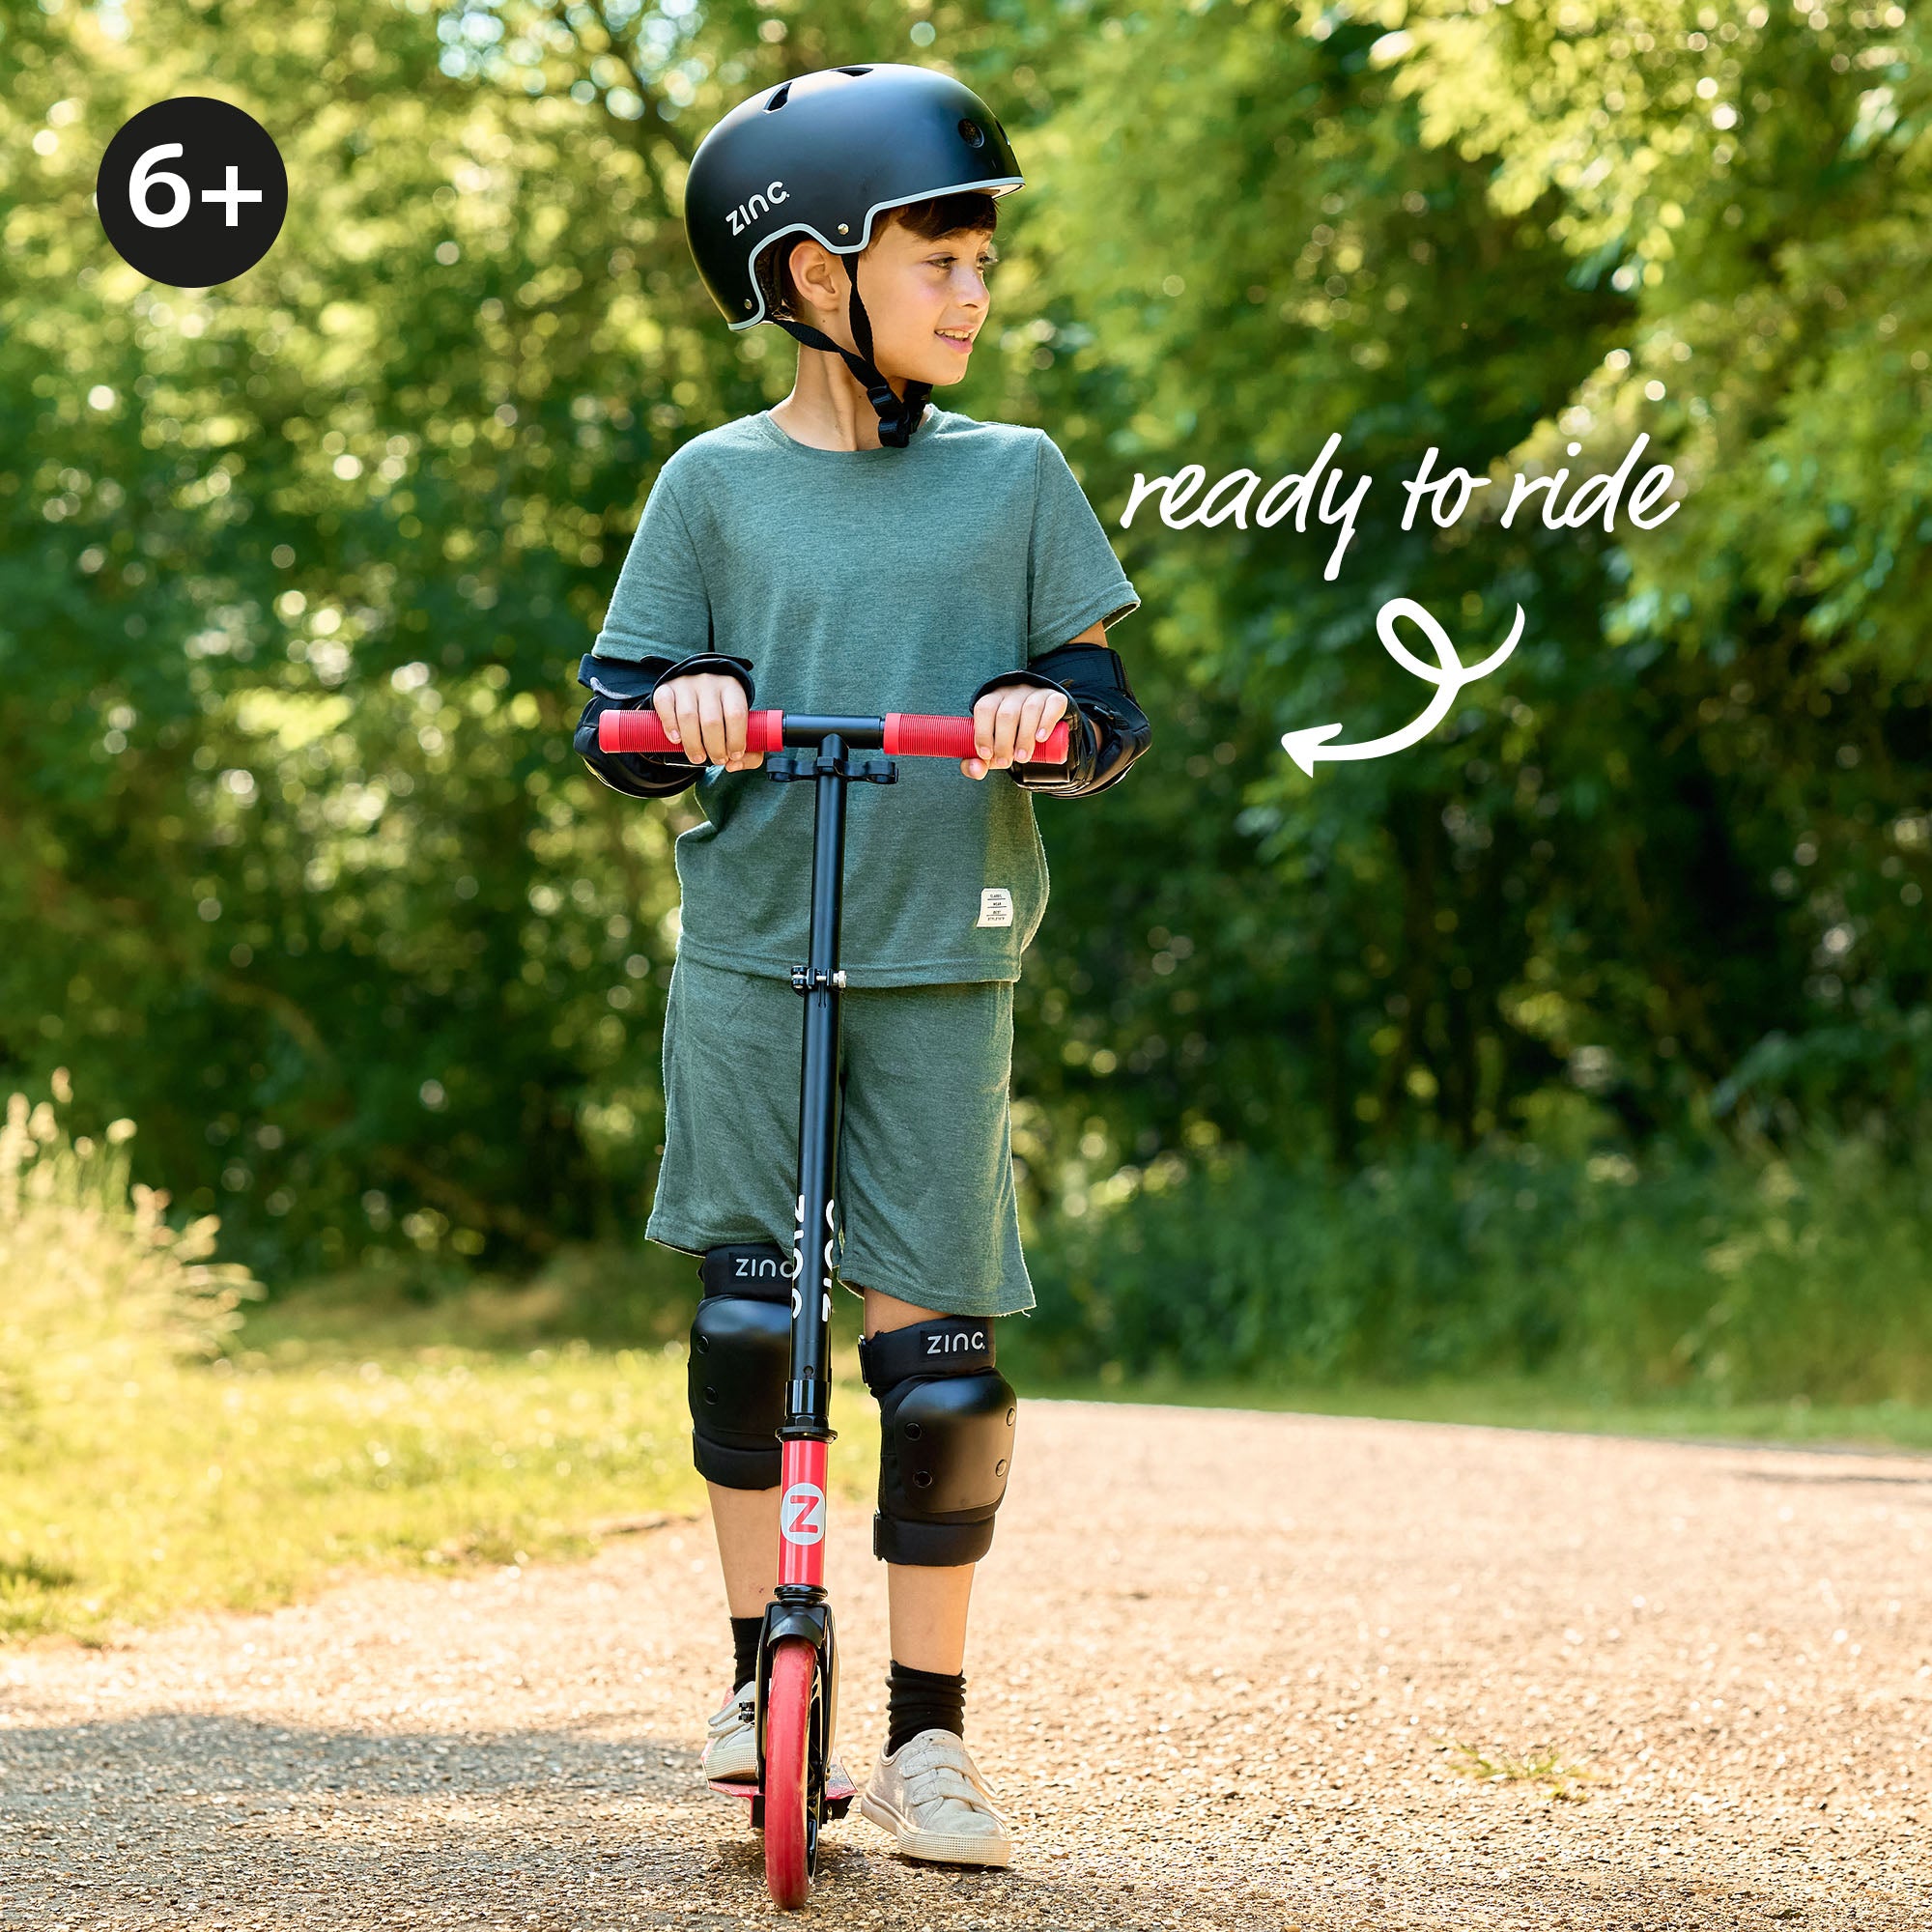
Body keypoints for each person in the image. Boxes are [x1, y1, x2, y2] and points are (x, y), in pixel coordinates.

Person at [571, 64, 1151, 1871]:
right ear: (814, 275)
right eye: (940, 258)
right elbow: (615, 719)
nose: (976, 293)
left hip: (942, 961)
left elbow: (1109, 714)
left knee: (945, 1367)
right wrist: (681, 715)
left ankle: (928, 1745)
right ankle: (763, 1684)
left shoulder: (1018, 482)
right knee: (756, 1325)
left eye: (984, 262)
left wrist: (1049, 714)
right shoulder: (714, 487)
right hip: (755, 959)